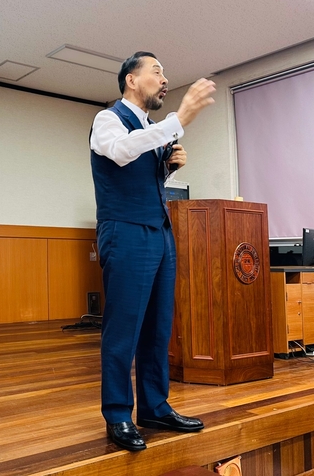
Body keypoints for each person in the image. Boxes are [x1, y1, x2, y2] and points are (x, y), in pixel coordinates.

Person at [89, 51, 216, 451]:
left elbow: (144, 173)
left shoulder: (150, 127)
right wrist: (179, 119)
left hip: (159, 231)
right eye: (157, 71)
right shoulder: (108, 120)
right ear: (130, 79)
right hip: (125, 231)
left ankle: (155, 407)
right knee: (123, 327)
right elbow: (123, 152)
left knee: (159, 326)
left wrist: (169, 167)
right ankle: (118, 415)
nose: (164, 79)